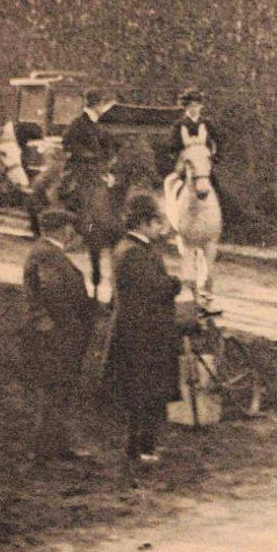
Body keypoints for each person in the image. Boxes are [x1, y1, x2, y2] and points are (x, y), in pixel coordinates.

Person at [105, 194, 183, 464]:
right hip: (143, 335)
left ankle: (141, 446)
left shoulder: (128, 247)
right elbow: (154, 288)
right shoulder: (134, 252)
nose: (158, 227)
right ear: (142, 223)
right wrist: (175, 283)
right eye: (155, 222)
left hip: (140, 331)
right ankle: (142, 448)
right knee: (145, 393)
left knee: (144, 393)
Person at [22, 208, 97, 459]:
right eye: (70, 228)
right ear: (63, 229)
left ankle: (55, 445)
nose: (73, 232)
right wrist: (71, 326)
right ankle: (45, 448)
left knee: (60, 389)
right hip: (55, 334)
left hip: (55, 331)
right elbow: (52, 292)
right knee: (56, 389)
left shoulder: (47, 252)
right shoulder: (47, 254)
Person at [60, 89, 117, 207]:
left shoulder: (94, 124)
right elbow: (68, 144)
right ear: (99, 104)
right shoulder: (80, 123)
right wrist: (93, 156)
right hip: (84, 171)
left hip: (93, 170)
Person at [168, 89, 224, 195]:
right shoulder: (179, 124)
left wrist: (216, 156)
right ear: (186, 107)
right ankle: (173, 207)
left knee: (216, 186)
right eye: (190, 105)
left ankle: (222, 209)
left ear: (201, 106)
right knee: (173, 182)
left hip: (203, 160)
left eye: (196, 105)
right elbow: (172, 144)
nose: (194, 108)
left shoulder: (207, 123)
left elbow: (218, 140)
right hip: (186, 160)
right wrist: (177, 155)